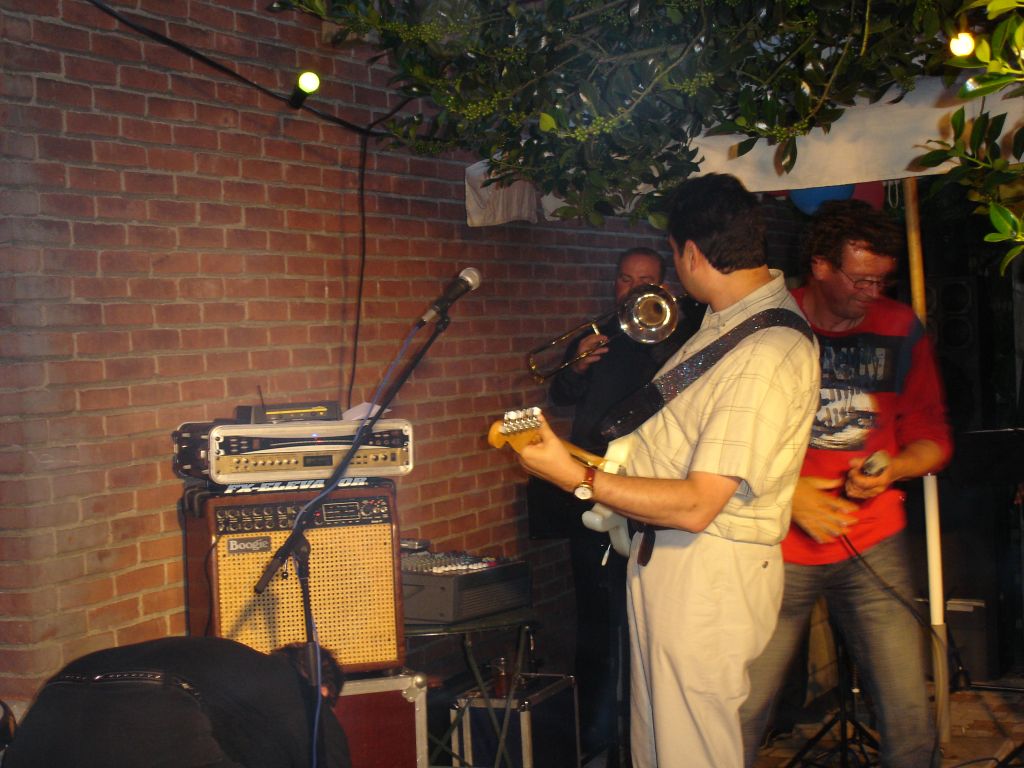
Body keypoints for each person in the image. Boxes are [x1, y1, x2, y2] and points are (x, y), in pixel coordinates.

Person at [516, 173, 821, 768]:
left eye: (675, 255)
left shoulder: (762, 352)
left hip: (706, 570)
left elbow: (700, 503)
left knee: (691, 751)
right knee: (662, 748)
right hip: (676, 561)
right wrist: (568, 454)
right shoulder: (729, 323)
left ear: (692, 253)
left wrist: (578, 479)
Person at [740, 199, 952, 768]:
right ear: (820, 267)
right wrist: (788, 496)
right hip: (779, 545)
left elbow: (932, 434)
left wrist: (894, 468)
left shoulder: (899, 326)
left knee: (908, 712)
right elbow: (721, 444)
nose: (871, 294)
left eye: (881, 281)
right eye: (860, 280)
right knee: (742, 707)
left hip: (872, 538)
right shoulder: (768, 325)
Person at [528, 247, 699, 764]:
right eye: (625, 280)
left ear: (665, 286)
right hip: (593, 487)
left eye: (645, 280)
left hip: (654, 490)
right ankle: (595, 737)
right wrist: (578, 365)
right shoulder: (597, 333)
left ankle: (647, 731)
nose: (634, 289)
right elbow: (561, 394)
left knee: (652, 620)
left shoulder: (686, 335)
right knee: (596, 620)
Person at [2, 636, 351, 768]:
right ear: (323, 690)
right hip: (150, 709)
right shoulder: (304, 694)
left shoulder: (228, 665)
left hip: (50, 712)